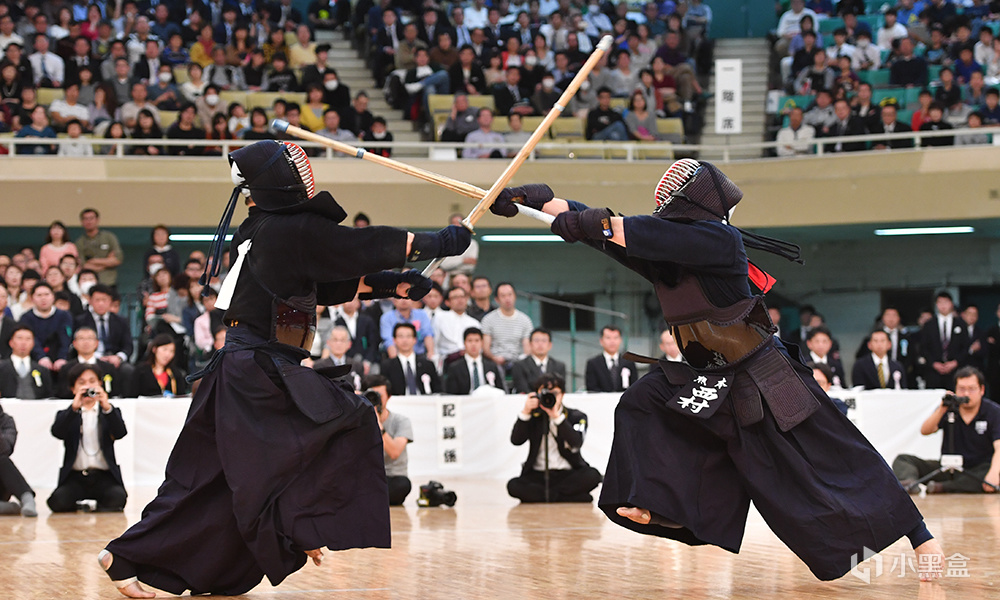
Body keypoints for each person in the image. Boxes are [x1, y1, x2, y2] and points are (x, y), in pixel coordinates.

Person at [487, 160, 944, 580]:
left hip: (766, 373)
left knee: (837, 455)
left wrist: (590, 222)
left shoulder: (719, 240)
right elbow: (606, 233)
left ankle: (921, 537)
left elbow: (623, 229)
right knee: (644, 400)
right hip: (713, 376)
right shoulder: (667, 254)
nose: (662, 202)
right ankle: (661, 506)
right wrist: (541, 202)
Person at [100, 139, 470, 598]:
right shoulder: (289, 228)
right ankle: (298, 524)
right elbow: (358, 246)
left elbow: (322, 285)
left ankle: (128, 555)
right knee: (347, 421)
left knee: (209, 479)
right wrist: (439, 242)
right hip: (258, 370)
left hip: (241, 369)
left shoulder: (263, 229)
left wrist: (393, 286)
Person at [893, 367, 1000, 494]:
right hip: (947, 467)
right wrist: (941, 409)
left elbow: (999, 446)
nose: (966, 394)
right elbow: (925, 430)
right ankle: (910, 485)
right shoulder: (949, 407)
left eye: (971, 389)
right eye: (962, 389)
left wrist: (994, 473)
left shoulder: (993, 411)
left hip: (978, 469)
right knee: (903, 460)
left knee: (993, 471)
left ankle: (943, 487)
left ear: (981, 390)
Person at [507, 373, 603, 503]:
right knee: (513, 485)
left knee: (593, 476)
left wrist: (557, 418)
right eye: (545, 393)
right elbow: (516, 440)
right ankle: (570, 497)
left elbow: (576, 442)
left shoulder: (576, 416)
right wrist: (525, 413)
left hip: (568, 473)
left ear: (562, 394)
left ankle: (545, 497)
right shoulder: (534, 416)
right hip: (538, 474)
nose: (550, 396)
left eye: (554, 393)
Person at [47, 363, 128, 513]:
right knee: (57, 502)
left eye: (92, 381)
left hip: (103, 475)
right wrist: (74, 408)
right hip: (75, 477)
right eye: (81, 383)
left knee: (118, 498)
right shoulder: (67, 414)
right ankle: (81, 506)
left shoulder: (109, 412)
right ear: (73, 388)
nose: (87, 386)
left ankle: (97, 506)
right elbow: (57, 432)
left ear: (100, 384)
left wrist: (107, 406)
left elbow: (120, 433)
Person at [364, 374, 413, 505]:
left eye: (379, 396)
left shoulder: (401, 421)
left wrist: (378, 425)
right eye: (370, 396)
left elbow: (394, 452)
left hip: (392, 477)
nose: (375, 400)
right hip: (368, 476)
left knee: (402, 485)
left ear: (389, 396)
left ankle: (368, 498)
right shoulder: (359, 422)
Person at [920, 291, 969, 390]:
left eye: (946, 302)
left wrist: (955, 362)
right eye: (940, 302)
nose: (943, 305)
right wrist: (934, 363)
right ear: (936, 305)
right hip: (934, 372)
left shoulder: (960, 324)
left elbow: (965, 347)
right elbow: (923, 347)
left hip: (955, 371)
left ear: (951, 304)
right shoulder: (929, 325)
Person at [481, 282, 533, 368]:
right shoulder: (488, 319)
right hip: (494, 362)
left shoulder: (525, 320)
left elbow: (527, 348)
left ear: (515, 296)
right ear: (497, 299)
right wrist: (494, 358)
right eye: (503, 296)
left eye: (510, 295)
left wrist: (521, 360)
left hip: (518, 362)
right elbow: (486, 348)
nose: (507, 299)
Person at [380, 322, 441, 395]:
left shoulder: (427, 364)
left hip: (424, 400)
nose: (405, 340)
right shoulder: (387, 366)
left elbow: (437, 389)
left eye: (408, 336)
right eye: (401, 336)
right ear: (394, 340)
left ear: (415, 340)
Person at [0, 402, 37, 516]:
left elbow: (6, 449)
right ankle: (9, 508)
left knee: (2, 460)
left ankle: (27, 499)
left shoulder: (6, 421)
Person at [445, 327, 505, 393]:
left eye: (477, 341)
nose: (473, 344)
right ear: (464, 343)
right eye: (470, 341)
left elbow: (500, 390)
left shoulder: (491, 366)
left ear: (482, 343)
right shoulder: (455, 368)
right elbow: (451, 394)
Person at [0, 325, 54, 398]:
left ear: (33, 343)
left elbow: (49, 396)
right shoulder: (2, 368)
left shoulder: (42, 370)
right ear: (11, 342)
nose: (23, 342)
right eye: (19, 338)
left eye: (28, 339)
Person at [76, 208, 123, 288]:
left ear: (97, 220)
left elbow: (118, 259)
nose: (89, 221)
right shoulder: (79, 242)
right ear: (82, 222)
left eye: (91, 218)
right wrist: (107, 262)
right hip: (89, 284)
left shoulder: (109, 237)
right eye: (86, 219)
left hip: (109, 282)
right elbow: (83, 265)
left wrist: (93, 261)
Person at [432, 285, 481, 364]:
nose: (460, 300)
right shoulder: (440, 317)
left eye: (462, 297)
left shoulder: (474, 323)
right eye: (455, 297)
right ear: (447, 302)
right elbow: (434, 343)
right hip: (446, 360)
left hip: (468, 361)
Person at [511, 327, 567, 393]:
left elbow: (560, 389)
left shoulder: (559, 366)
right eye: (536, 341)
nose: (540, 344)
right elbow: (522, 389)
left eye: (544, 341)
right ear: (530, 344)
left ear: (550, 345)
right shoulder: (519, 366)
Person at [585, 325, 639, 392]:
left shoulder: (629, 362)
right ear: (601, 341)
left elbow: (634, 386)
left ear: (620, 340)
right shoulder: (593, 363)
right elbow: (591, 388)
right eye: (608, 338)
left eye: (615, 338)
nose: (612, 341)